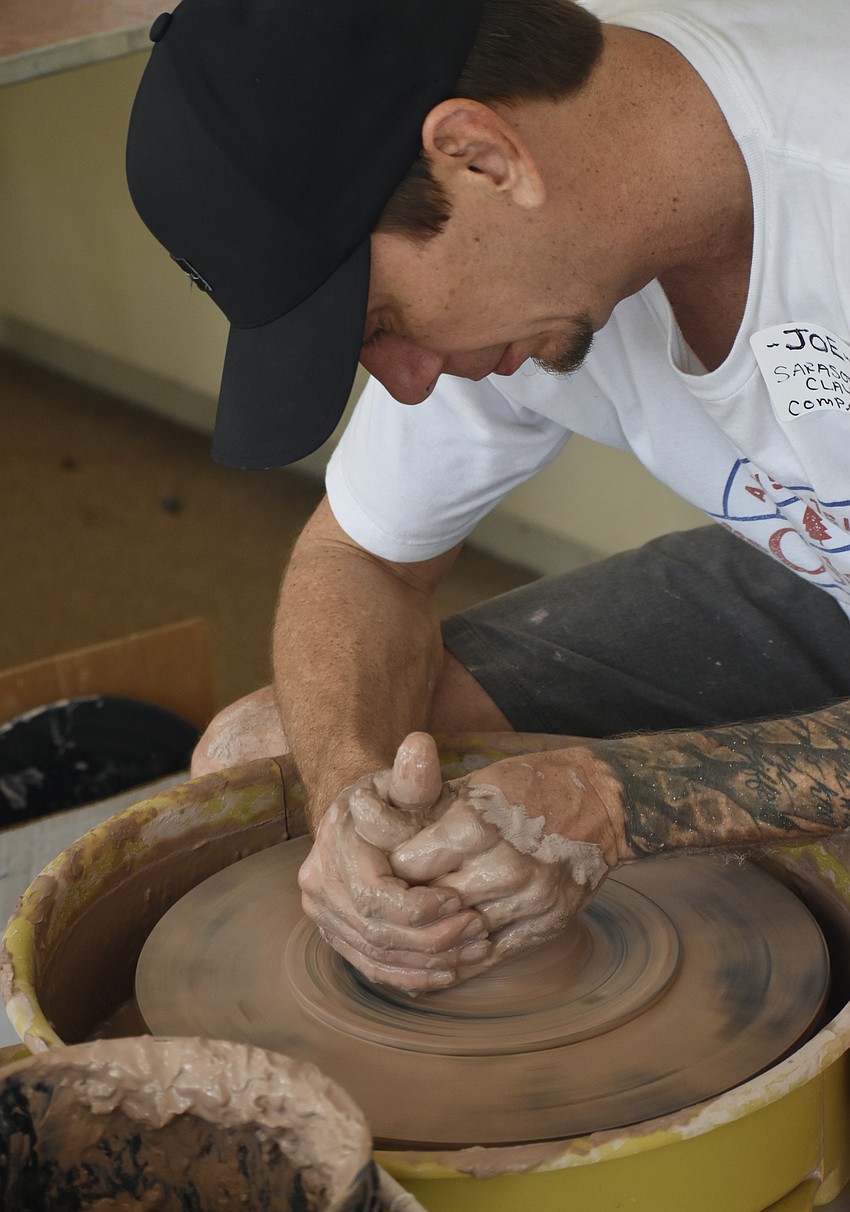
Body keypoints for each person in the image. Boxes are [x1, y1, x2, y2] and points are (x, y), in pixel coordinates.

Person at [126, 0, 850, 993]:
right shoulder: (532, 215)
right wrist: (348, 793)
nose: (408, 382)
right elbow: (362, 559)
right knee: (259, 752)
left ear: (481, 156)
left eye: (383, 320)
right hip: (811, 559)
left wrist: (629, 798)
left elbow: (625, 801)